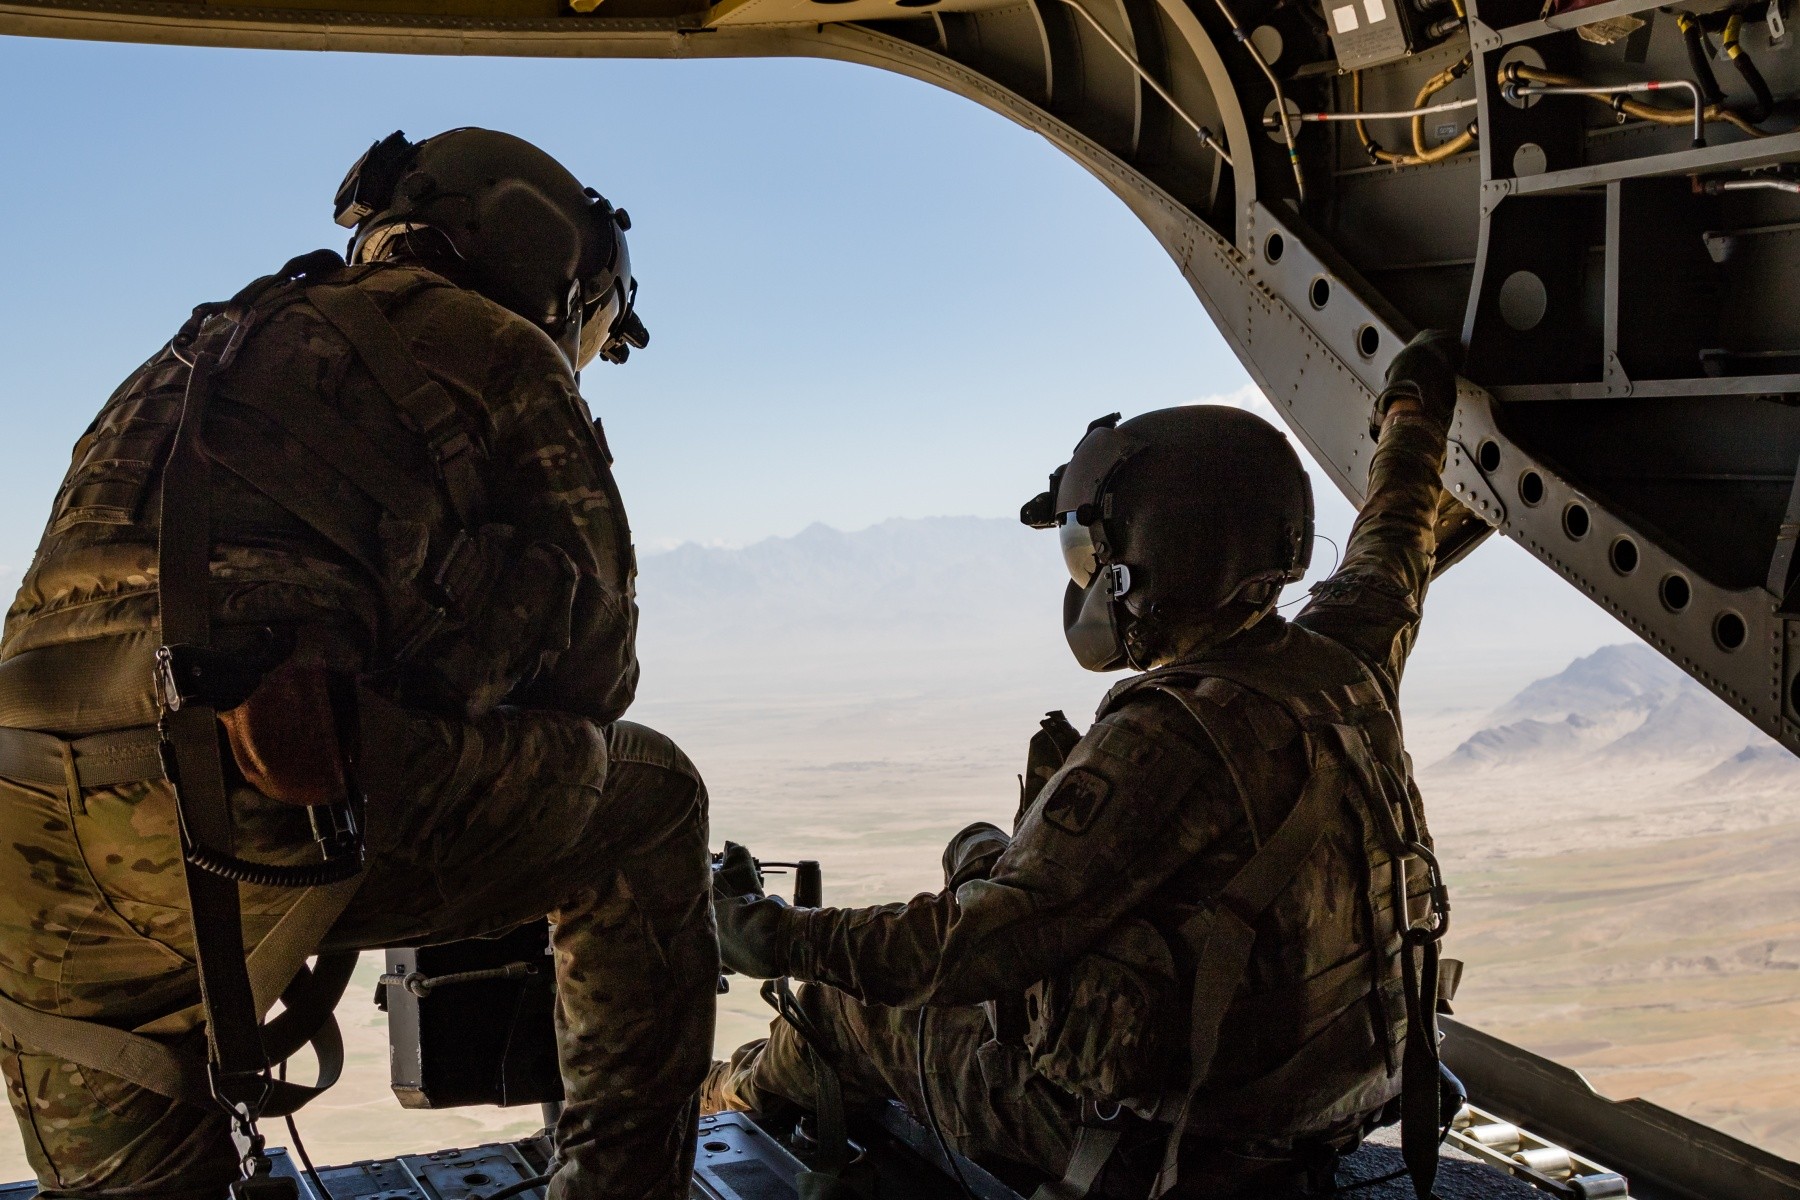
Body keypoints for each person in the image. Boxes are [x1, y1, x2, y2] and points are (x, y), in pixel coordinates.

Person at [0, 129, 715, 1200]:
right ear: (541, 256)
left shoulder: (199, 345)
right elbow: (598, 679)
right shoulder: (493, 347)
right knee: (651, 800)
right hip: (234, 808)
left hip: (21, 834)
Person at [706, 332, 1464, 1198]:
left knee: (847, 1007)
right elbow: (1397, 530)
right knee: (979, 847)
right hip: (1344, 1089)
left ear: (1157, 558)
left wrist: (770, 935)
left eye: (1090, 553)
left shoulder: (1170, 735)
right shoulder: (1346, 653)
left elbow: (967, 953)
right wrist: (1414, 406)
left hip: (1197, 1141)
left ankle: (728, 1099)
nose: (1086, 580)